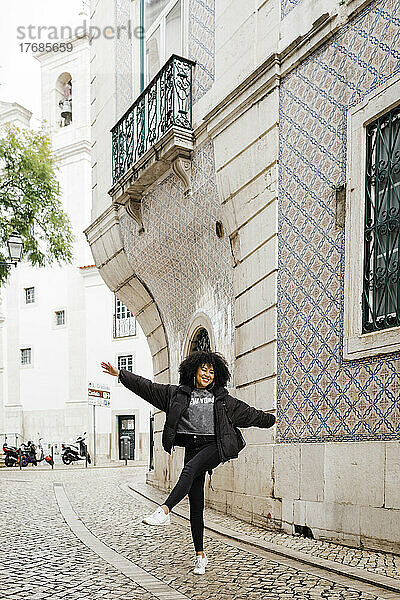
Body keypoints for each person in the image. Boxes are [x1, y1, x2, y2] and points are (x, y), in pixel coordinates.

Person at [101, 351, 276, 575]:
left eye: (212, 372)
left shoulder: (223, 400)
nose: (208, 375)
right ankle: (200, 556)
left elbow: (250, 414)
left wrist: (272, 419)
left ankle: (164, 510)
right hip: (192, 446)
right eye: (204, 369)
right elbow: (147, 387)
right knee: (196, 504)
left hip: (214, 447)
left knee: (190, 469)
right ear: (193, 370)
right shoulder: (177, 395)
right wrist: (120, 374)